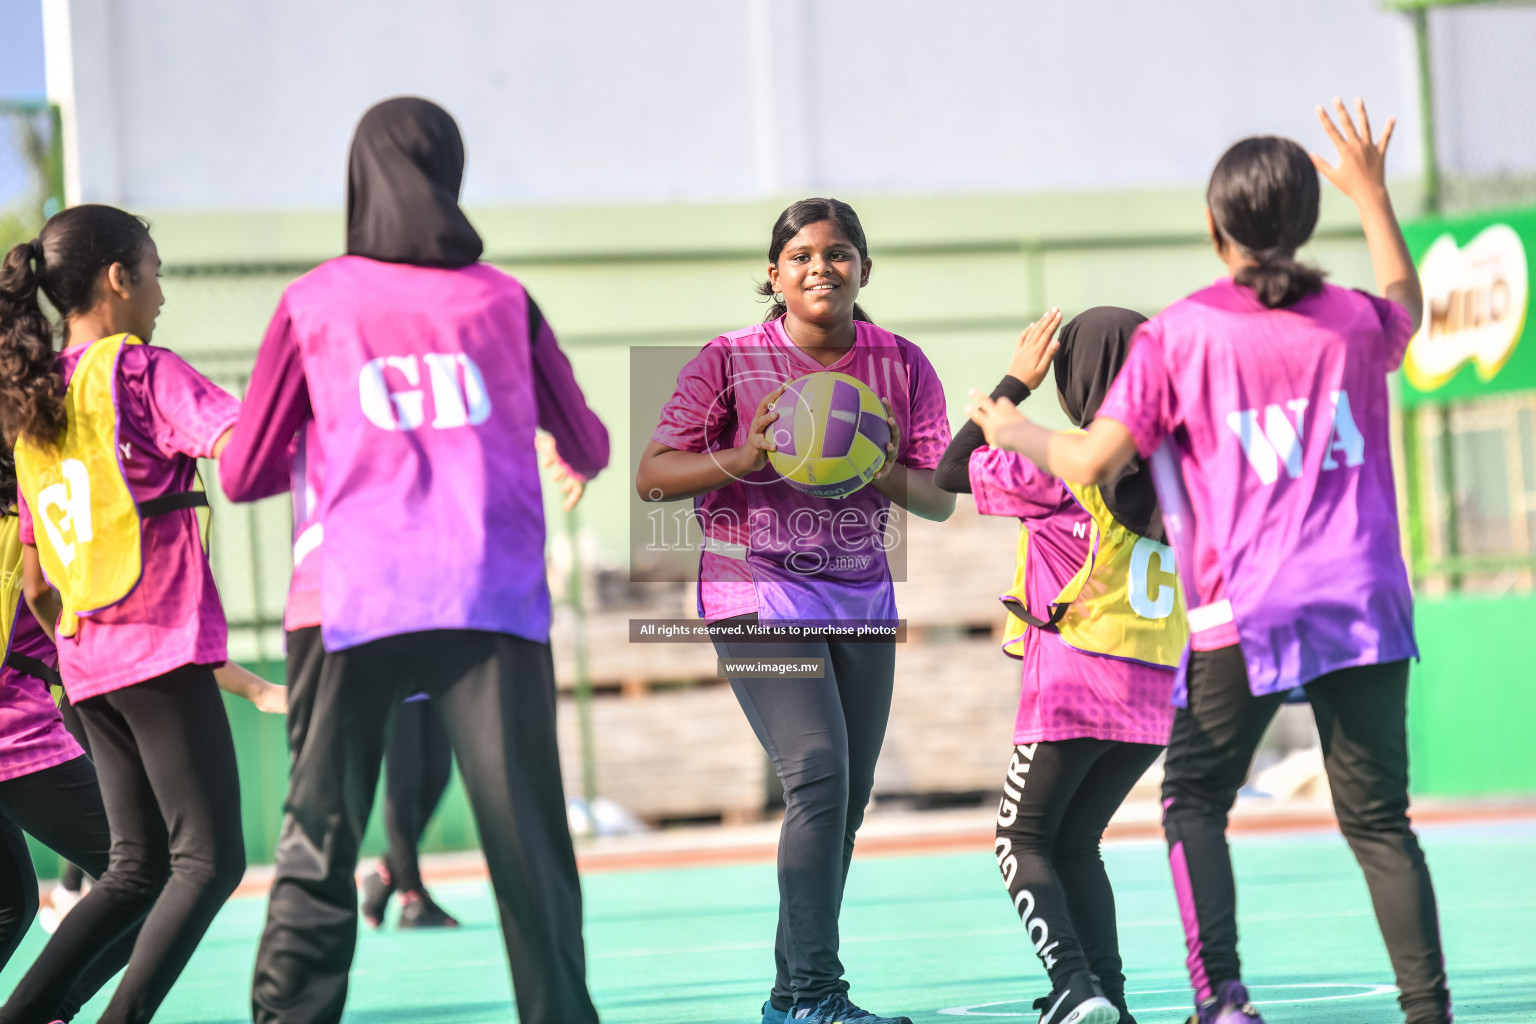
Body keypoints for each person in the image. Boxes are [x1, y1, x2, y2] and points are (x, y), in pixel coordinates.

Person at [966, 100, 1451, 1024]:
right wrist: (1376, 197)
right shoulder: (1349, 321)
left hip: (1246, 610)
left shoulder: (1181, 335)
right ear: (1308, 219)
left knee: (1193, 800)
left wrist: (1013, 423)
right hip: (1365, 602)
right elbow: (1407, 308)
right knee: (1382, 824)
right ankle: (1431, 1011)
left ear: (1213, 226)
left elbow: (1091, 462)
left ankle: (1222, 1000)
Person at [219, 96, 609, 1024]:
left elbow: (240, 473)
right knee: (529, 851)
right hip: (490, 599)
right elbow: (587, 441)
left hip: (351, 597)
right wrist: (546, 448)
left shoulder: (312, 301)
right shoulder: (503, 299)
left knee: (318, 841)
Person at [636, 197, 955, 1024]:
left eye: (840, 253)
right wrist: (742, 456)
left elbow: (939, 501)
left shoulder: (905, 365)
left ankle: (790, 995)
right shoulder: (729, 360)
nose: (822, 266)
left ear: (865, 270)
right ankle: (817, 995)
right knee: (816, 771)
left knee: (844, 798)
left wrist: (877, 468)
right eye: (803, 255)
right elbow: (653, 474)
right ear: (775, 275)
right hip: (754, 589)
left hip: (858, 595)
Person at [0, 204, 251, 1024]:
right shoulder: (139, 372)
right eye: (156, 274)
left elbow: (36, 584)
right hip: (153, 648)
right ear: (120, 278)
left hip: (83, 661)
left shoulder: (38, 404)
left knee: (134, 869)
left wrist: (77, 641)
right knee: (207, 862)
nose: (162, 296)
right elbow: (240, 442)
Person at [936, 307, 1184, 1024]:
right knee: (1075, 840)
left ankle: (1074, 983)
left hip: (1077, 680)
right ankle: (1111, 997)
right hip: (1155, 693)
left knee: (1018, 839)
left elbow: (951, 468)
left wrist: (1014, 382)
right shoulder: (1175, 466)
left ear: (1076, 379)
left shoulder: (1064, 461)